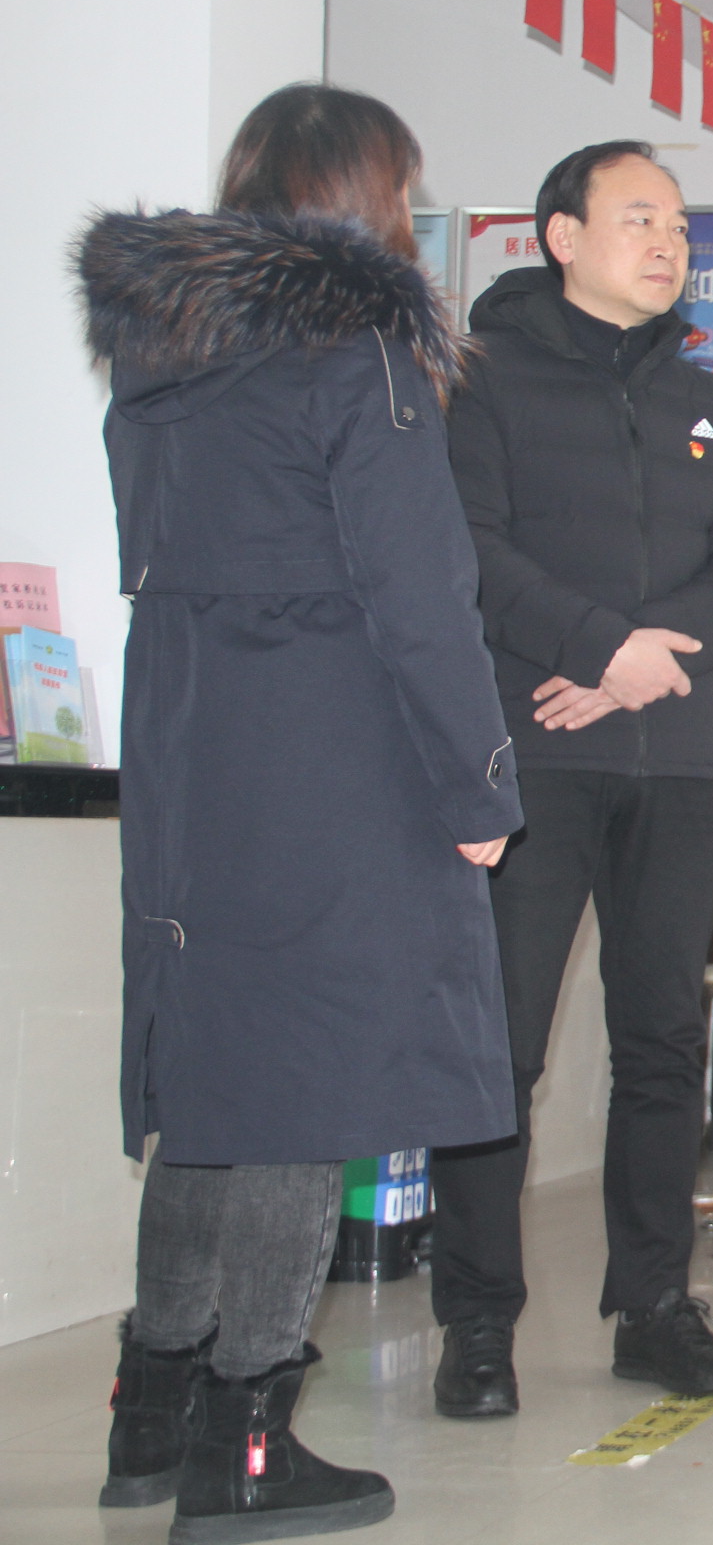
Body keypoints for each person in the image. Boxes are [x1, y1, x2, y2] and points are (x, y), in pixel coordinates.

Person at [78, 83, 522, 1541]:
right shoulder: (360, 350)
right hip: (334, 754)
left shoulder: (160, 355)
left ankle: (151, 1409)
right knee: (301, 1095)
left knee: (210, 1091)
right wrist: (477, 782)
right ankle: (248, 1438)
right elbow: (420, 592)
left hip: (191, 750)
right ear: (363, 199)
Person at [428, 141, 713, 1416]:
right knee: (501, 1047)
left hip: (674, 761)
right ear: (562, 238)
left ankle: (653, 1306)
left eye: (679, 225)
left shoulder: (712, 400)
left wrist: (645, 665)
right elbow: (469, 550)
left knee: (661, 1046)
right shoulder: (478, 381)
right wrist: (599, 650)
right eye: (640, 219)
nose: (668, 243)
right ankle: (477, 1324)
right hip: (532, 759)